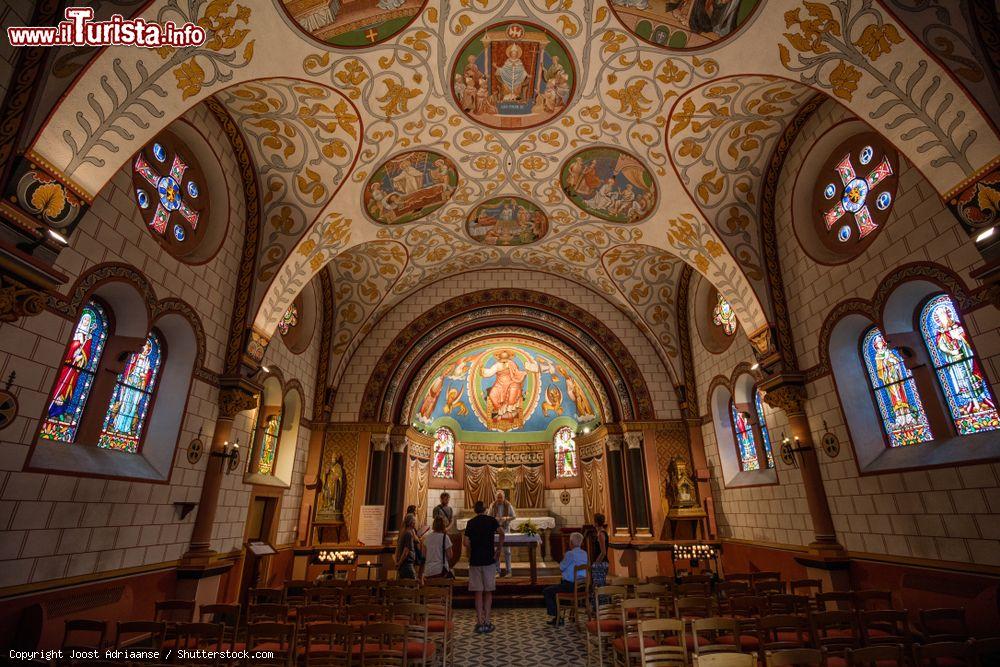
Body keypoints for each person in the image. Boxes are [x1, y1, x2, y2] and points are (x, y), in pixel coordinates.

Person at [464, 500, 504, 634]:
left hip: (475, 560)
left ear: (475, 510)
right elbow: (502, 533)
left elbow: (466, 542)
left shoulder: (470, 523)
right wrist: (498, 550)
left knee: (478, 592)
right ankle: (487, 620)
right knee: (488, 591)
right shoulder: (491, 520)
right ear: (485, 509)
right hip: (489, 559)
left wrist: (470, 553)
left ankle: (479, 623)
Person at [544, 532, 588, 625]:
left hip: (570, 586)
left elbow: (561, 567)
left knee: (547, 591)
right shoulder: (585, 553)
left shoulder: (570, 554)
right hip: (582, 586)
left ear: (571, 542)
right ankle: (564, 616)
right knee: (559, 587)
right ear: (581, 543)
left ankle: (558, 617)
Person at [488, 491, 516, 576]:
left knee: (507, 551)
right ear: (495, 498)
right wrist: (494, 519)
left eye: (501, 497)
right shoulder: (492, 505)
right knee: (496, 551)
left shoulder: (508, 505)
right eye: (498, 497)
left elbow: (514, 516)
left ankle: (509, 571)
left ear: (504, 498)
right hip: (495, 530)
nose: (499, 499)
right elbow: (488, 516)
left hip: (505, 529)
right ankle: (497, 571)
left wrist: (506, 518)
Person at [423, 515, 453, 580]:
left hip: (428, 571)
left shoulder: (427, 538)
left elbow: (424, 555)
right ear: (443, 525)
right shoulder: (445, 537)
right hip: (440, 570)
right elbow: (450, 555)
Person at [589, 513, 610, 595]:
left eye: (593, 521)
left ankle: (600, 605)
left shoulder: (601, 534)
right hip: (601, 563)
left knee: (599, 588)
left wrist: (596, 564)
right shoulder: (600, 533)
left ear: (596, 523)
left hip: (601, 563)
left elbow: (603, 552)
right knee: (598, 587)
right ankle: (599, 605)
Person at [395, 514, 420, 580]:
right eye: (414, 521)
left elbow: (417, 541)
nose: (415, 523)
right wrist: (399, 563)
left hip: (405, 563)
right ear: (412, 523)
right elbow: (406, 550)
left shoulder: (407, 532)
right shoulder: (408, 533)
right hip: (407, 564)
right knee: (413, 583)